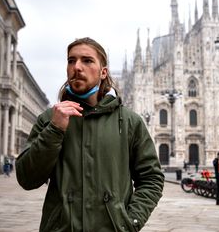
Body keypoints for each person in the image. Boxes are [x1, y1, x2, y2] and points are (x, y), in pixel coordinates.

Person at [15, 37, 164, 232]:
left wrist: (130, 222)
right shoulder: (50, 119)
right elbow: (27, 178)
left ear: (103, 72)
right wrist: (54, 130)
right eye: (71, 60)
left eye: (87, 60)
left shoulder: (129, 121)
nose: (77, 66)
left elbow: (152, 178)